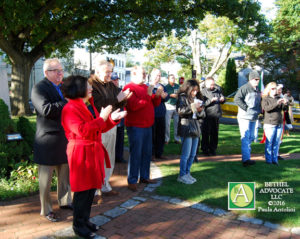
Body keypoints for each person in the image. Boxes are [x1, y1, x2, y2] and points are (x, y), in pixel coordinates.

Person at [61, 75, 126, 238]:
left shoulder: (88, 105)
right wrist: (103, 118)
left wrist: (111, 119)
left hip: (92, 151)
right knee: (82, 191)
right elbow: (83, 130)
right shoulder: (70, 108)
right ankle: (78, 225)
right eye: (87, 86)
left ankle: (85, 220)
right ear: (78, 89)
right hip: (80, 153)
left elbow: (99, 126)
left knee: (90, 190)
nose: (91, 89)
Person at [31, 58, 72, 222]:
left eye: (61, 70)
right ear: (46, 72)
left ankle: (65, 201)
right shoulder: (38, 88)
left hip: (63, 137)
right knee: (45, 180)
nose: (61, 74)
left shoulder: (62, 88)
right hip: (47, 139)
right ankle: (46, 209)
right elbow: (45, 110)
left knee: (65, 174)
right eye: (57, 71)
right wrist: (65, 102)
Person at [89, 60, 132, 196]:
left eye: (111, 72)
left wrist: (124, 98)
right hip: (99, 125)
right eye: (107, 72)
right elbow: (98, 104)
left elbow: (119, 100)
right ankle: (95, 190)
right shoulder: (91, 85)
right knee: (98, 157)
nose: (110, 75)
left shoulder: (110, 85)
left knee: (110, 156)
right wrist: (118, 99)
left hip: (112, 123)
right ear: (97, 71)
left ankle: (105, 184)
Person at [123, 66, 162, 192]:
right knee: (136, 153)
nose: (145, 75)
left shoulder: (145, 87)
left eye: (145, 73)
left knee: (146, 152)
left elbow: (154, 104)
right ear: (134, 73)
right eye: (143, 73)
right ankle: (132, 180)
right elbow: (133, 106)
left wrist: (158, 96)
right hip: (136, 126)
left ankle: (144, 176)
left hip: (147, 125)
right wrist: (148, 95)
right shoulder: (129, 88)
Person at [176, 79, 205, 184]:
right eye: (193, 90)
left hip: (196, 127)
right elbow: (180, 111)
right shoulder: (183, 97)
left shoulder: (198, 98)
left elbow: (203, 115)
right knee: (186, 154)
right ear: (188, 89)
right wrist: (193, 108)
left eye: (196, 90)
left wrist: (200, 111)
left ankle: (187, 173)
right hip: (186, 127)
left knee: (193, 154)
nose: (195, 92)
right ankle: (182, 175)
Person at [234, 70, 261, 167]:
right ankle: (246, 159)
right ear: (251, 79)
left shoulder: (257, 89)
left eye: (258, 79)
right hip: (244, 117)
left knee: (251, 137)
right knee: (245, 137)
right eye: (255, 79)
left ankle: (246, 157)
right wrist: (246, 108)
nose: (257, 81)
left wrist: (259, 111)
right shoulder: (244, 88)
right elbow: (236, 99)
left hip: (254, 117)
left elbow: (258, 102)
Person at [261, 82, 288, 165]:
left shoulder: (278, 97)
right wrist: (277, 103)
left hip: (279, 123)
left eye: (275, 89)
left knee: (276, 142)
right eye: (272, 89)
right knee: (269, 142)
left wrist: (285, 103)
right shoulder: (265, 98)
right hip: (270, 123)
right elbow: (266, 109)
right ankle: (269, 160)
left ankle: (275, 159)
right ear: (269, 89)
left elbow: (284, 109)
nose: (274, 90)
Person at [200, 77, 225, 156]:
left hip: (216, 115)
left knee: (214, 133)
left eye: (213, 84)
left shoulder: (217, 90)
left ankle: (213, 149)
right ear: (206, 84)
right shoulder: (203, 92)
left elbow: (223, 99)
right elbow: (202, 104)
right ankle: (205, 149)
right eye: (211, 84)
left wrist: (223, 99)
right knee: (206, 133)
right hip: (207, 115)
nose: (212, 86)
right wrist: (211, 100)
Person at [150, 69, 168, 160]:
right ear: (152, 75)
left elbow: (166, 97)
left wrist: (164, 97)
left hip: (161, 113)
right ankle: (152, 153)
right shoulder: (148, 86)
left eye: (160, 75)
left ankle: (159, 152)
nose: (158, 77)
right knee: (152, 135)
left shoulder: (162, 86)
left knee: (161, 134)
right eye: (157, 75)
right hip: (152, 113)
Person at [111, 72, 127, 163]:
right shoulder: (108, 91)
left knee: (120, 139)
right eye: (114, 80)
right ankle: (112, 157)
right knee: (112, 139)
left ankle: (119, 157)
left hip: (120, 117)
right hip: (112, 117)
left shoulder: (120, 90)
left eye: (117, 80)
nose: (116, 81)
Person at [165, 74, 181, 144]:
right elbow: (165, 95)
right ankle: (166, 139)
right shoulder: (166, 87)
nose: (173, 79)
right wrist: (170, 95)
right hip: (168, 105)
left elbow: (180, 94)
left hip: (176, 106)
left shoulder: (177, 86)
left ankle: (177, 139)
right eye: (171, 78)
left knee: (177, 123)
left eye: (174, 78)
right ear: (168, 79)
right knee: (167, 124)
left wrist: (177, 95)